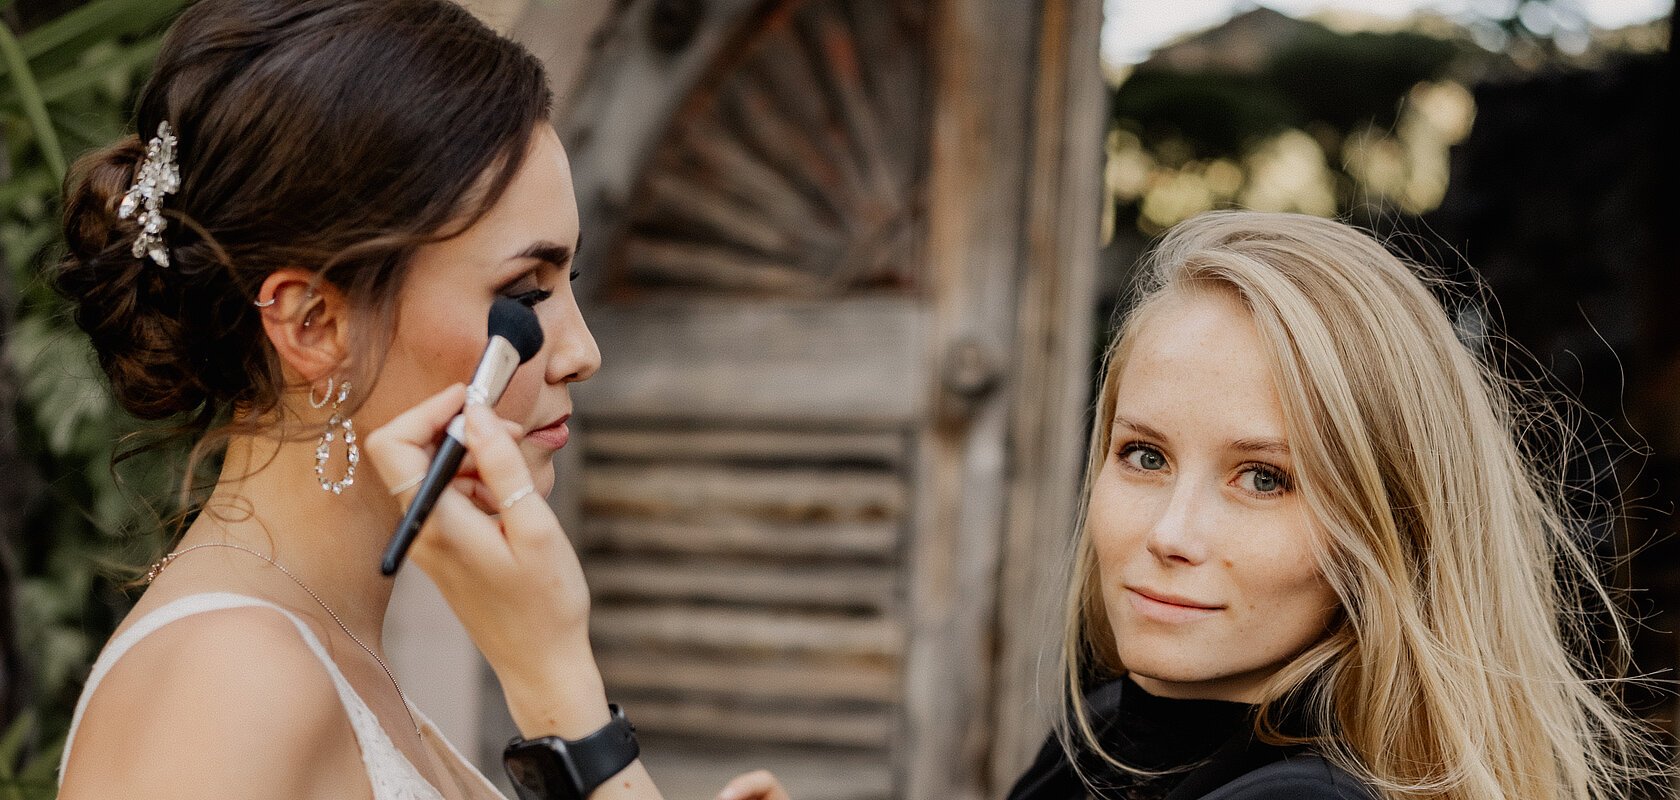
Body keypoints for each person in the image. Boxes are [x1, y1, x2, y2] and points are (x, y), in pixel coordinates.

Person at [369, 211, 1666, 800]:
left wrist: (561, 689)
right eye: (1144, 455)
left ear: (1387, 529)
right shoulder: (1117, 735)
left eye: (1264, 479)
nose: (1170, 532)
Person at [51, 1, 657, 798]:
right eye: (524, 291)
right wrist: (558, 687)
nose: (582, 354)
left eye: (566, 283)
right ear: (314, 324)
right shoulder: (230, 684)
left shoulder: (325, 650)